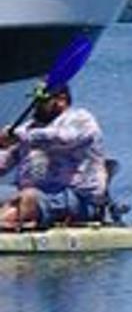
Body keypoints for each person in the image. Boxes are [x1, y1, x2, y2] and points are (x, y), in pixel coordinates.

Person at [0, 85, 108, 233]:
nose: (36, 107)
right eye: (35, 101)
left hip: (76, 198)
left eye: (42, 101)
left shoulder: (81, 119)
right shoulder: (28, 128)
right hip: (29, 192)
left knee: (28, 197)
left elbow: (64, 137)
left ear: (61, 100)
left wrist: (19, 136)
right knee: (24, 195)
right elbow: (5, 161)